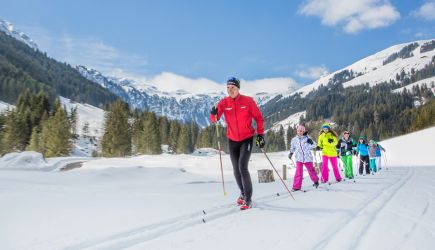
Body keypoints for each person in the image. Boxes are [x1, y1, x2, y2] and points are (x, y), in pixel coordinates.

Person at [210, 77, 264, 210]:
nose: (230, 90)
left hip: (247, 138)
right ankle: (243, 193)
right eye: (228, 87)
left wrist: (260, 134)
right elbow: (215, 119)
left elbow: (258, 118)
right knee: (235, 170)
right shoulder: (224, 102)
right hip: (232, 139)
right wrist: (213, 114)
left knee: (242, 166)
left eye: (233, 87)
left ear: (238, 88)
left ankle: (248, 198)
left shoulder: (248, 101)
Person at [288, 125, 319, 191]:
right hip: (299, 158)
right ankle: (296, 187)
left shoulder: (307, 138)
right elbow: (292, 147)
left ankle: (316, 181)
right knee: (298, 172)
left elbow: (315, 145)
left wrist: (311, 142)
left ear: (304, 131)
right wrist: (291, 153)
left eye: (301, 131)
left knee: (311, 171)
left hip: (308, 158)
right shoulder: (294, 139)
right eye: (298, 131)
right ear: (297, 131)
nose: (300, 132)